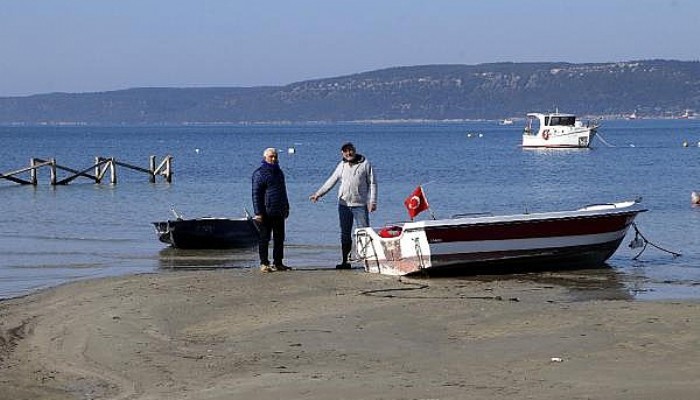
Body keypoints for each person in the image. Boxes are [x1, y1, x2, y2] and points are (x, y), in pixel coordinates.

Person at [310, 142, 377, 269]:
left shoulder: (365, 164)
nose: (348, 153)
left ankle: (369, 262)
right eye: (345, 151)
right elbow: (332, 180)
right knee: (345, 234)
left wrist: (372, 201)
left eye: (350, 150)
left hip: (360, 205)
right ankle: (345, 261)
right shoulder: (342, 165)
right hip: (344, 205)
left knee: (364, 233)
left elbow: (373, 184)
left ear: (354, 150)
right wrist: (318, 194)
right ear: (342, 153)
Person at [252, 147, 291, 272]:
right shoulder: (259, 173)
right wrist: (258, 212)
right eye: (271, 157)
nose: (274, 159)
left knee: (279, 238)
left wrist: (286, 206)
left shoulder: (279, 172)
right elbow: (256, 194)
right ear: (265, 158)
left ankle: (278, 262)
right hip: (265, 211)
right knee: (264, 238)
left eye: (275, 156)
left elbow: (283, 191)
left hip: (279, 210)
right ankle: (264, 263)